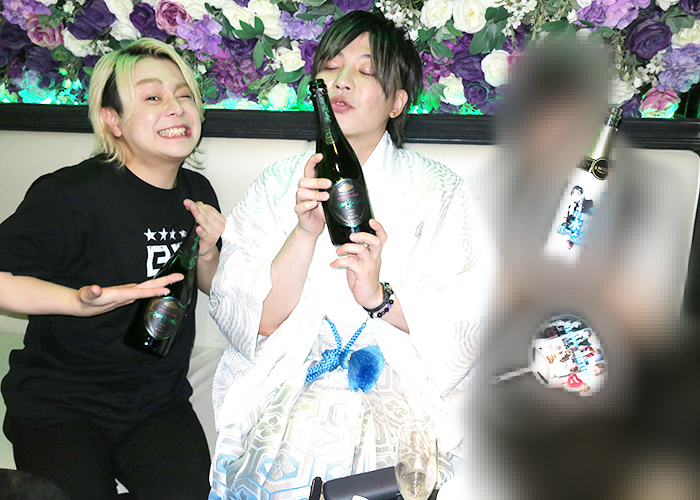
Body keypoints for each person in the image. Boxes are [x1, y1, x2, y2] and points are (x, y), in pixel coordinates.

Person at [207, 11, 490, 500]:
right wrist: (303, 233)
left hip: (404, 382)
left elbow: (470, 317)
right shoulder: (277, 184)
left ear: (397, 101)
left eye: (366, 70)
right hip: (296, 379)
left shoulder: (441, 190)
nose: (341, 80)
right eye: (331, 66)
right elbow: (252, 319)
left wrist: (379, 297)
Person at [0, 38, 225, 500]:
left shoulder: (197, 191)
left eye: (184, 95)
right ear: (112, 120)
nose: (176, 107)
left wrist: (207, 253)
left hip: (156, 403)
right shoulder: (69, 194)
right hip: (60, 405)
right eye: (152, 97)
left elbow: (207, 284)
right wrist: (76, 302)